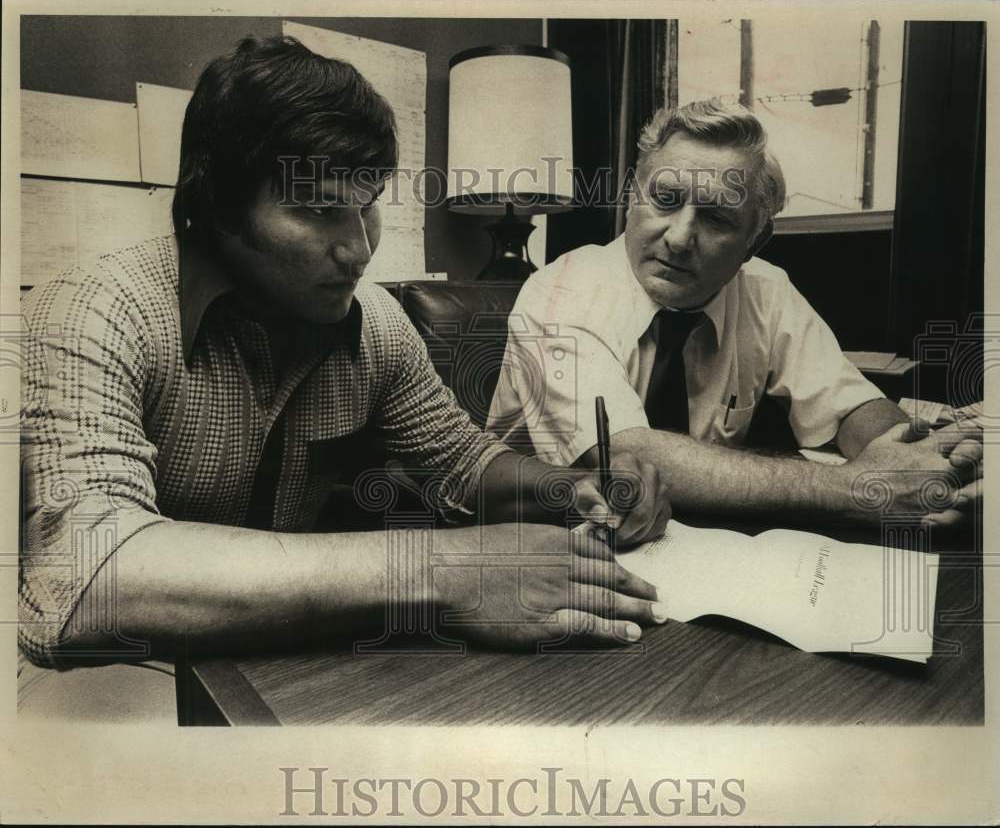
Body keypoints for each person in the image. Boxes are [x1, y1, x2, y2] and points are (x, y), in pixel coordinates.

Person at [18, 35, 674, 703]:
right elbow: (87, 578)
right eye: (319, 210)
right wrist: (448, 569)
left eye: (368, 204)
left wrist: (568, 489)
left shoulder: (378, 324)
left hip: (271, 668)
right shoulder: (96, 308)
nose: (358, 248)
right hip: (100, 683)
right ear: (219, 206)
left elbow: (464, 466)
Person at [488, 99, 981, 527]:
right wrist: (856, 489)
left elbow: (848, 404)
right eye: (665, 200)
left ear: (754, 241)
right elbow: (629, 456)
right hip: (550, 541)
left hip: (706, 540)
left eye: (718, 218)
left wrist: (922, 461)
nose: (679, 238)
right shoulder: (559, 293)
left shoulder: (766, 289)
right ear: (629, 198)